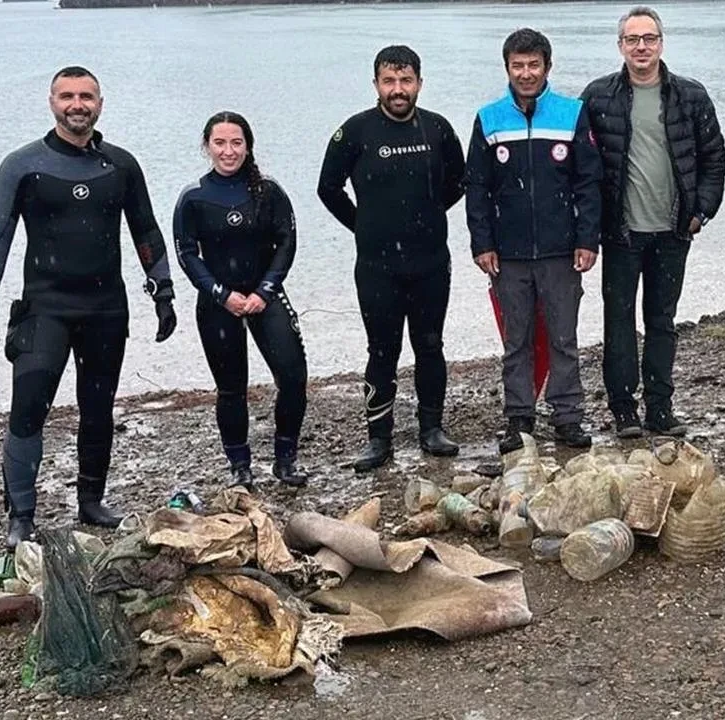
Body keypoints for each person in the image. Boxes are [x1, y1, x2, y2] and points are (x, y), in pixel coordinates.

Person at [0, 66, 176, 548]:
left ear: (100, 103)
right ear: (52, 102)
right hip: (45, 310)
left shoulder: (121, 165)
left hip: (106, 308)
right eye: (67, 96)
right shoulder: (23, 165)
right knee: (28, 408)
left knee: (98, 408)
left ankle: (91, 501)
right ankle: (21, 515)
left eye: (86, 96)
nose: (76, 105)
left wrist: (163, 291)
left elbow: (145, 230)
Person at [581, 6, 725, 439]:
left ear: (661, 43)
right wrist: (587, 225)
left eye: (649, 38)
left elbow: (714, 158)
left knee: (662, 321)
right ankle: (624, 408)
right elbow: (581, 166)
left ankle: (660, 407)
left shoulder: (690, 96)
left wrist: (701, 211)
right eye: (632, 39)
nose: (641, 47)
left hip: (673, 231)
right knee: (619, 320)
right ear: (620, 46)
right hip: (621, 233)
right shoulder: (597, 97)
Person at [318, 45, 466, 472]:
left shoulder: (438, 128)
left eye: (405, 81)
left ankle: (432, 429)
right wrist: (363, 225)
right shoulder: (355, 131)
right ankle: (379, 438)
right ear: (376, 84)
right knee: (382, 351)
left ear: (419, 83)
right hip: (377, 267)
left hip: (430, 262)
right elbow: (328, 188)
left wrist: (429, 214)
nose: (397, 89)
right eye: (389, 81)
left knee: (430, 345)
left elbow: (460, 181)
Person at [465, 28, 603, 454]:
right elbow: (477, 188)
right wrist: (482, 244)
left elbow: (589, 183)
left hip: (562, 250)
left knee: (564, 338)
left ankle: (567, 417)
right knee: (516, 341)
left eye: (533, 65)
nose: (526, 73)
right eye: (518, 66)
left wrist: (588, 239)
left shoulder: (571, 113)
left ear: (547, 66)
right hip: (508, 254)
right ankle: (519, 418)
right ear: (507, 68)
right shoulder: (489, 118)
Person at [174, 112, 308, 488]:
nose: (228, 151)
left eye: (236, 143)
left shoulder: (269, 191)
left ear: (248, 146)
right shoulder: (194, 197)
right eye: (220, 143)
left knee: (293, 378)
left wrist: (265, 290)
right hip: (218, 303)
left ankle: (285, 459)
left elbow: (287, 243)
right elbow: (187, 254)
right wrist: (221, 293)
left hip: (265, 296)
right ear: (207, 146)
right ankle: (239, 466)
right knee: (232, 388)